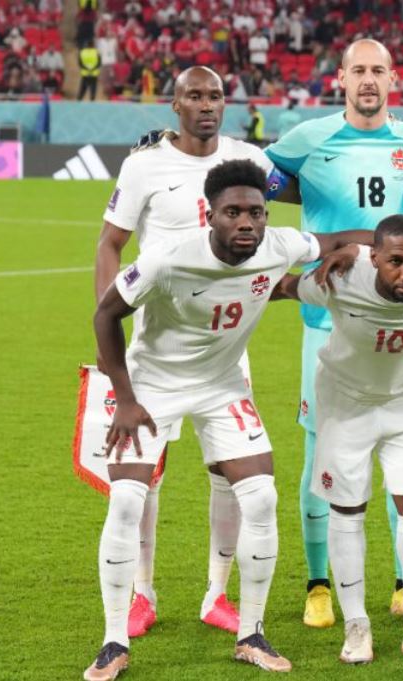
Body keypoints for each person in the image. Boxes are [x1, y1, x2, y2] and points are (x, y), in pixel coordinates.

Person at [85, 160, 374, 680]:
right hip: (153, 385)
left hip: (221, 385)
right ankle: (112, 641)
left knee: (261, 495)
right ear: (210, 214)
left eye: (257, 213)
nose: (247, 222)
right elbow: (105, 314)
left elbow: (334, 238)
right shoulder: (167, 258)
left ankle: (252, 633)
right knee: (128, 500)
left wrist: (360, 248)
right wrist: (124, 398)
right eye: (234, 212)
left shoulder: (279, 245)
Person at [262, 38, 403, 629]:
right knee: (323, 449)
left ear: (393, 79)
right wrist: (318, 226)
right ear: (340, 78)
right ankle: (318, 583)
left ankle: (402, 583)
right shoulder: (307, 139)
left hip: (397, 321)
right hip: (328, 321)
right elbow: (263, 183)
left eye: (378, 71)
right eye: (358, 71)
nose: (368, 80)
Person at [94, 66, 274, 641]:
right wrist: (105, 324)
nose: (206, 104)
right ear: (174, 105)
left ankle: (217, 593)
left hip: (225, 347)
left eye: (215, 94)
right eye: (194, 95)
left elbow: (296, 191)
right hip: (155, 347)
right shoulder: (145, 164)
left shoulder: (249, 159)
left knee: (229, 472)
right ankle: (142, 593)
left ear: (227, 103)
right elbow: (111, 242)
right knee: (146, 476)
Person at [271, 216, 403, 665]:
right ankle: (356, 626)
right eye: (395, 262)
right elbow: (280, 287)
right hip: (345, 407)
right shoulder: (340, 279)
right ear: (374, 257)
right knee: (348, 510)